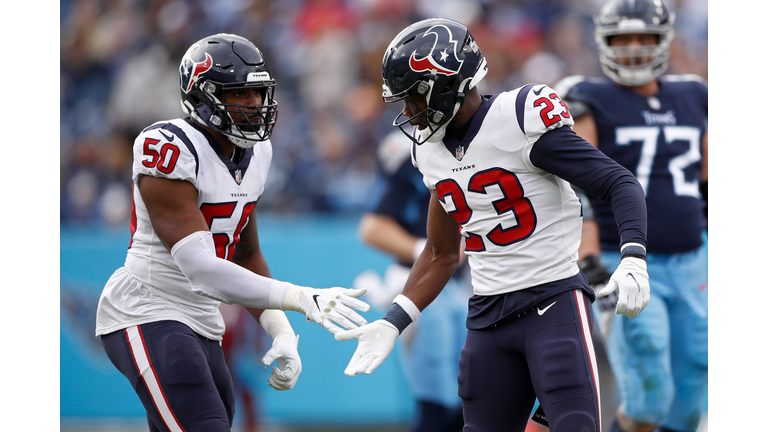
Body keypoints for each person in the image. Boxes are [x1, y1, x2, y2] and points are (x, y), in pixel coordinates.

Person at [335, 18, 651, 432]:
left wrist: (633, 256)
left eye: (414, 98)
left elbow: (617, 181)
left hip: (553, 304)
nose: (409, 112)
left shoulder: (519, 118)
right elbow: (441, 252)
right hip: (486, 317)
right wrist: (395, 319)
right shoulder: (427, 152)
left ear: (447, 85)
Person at [94, 33, 370, 432]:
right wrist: (299, 298)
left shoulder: (257, 153)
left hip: (202, 320)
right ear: (203, 96)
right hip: (147, 310)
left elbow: (244, 253)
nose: (255, 104)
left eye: (258, 93)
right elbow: (201, 269)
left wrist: (280, 331)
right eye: (241, 94)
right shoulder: (167, 145)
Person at [554, 0, 708, 431]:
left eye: (645, 38)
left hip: (694, 259)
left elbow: (710, 184)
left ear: (665, 40)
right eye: (624, 39)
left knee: (693, 386)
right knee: (649, 397)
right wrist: (589, 258)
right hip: (627, 260)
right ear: (604, 42)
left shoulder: (695, 93)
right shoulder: (587, 96)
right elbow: (574, 187)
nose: (635, 48)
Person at [355, 129, 470, 432]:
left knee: (468, 394)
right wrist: (429, 251)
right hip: (423, 287)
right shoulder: (415, 158)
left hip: (458, 287)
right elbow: (371, 228)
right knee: (437, 398)